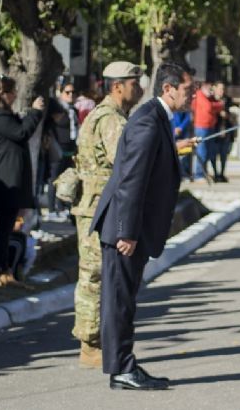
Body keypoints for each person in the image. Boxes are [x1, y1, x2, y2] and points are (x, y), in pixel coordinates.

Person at [91, 63, 196, 390]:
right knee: (119, 302)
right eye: (188, 90)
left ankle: (123, 366)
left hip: (129, 227)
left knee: (123, 300)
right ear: (168, 89)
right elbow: (131, 182)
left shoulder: (156, 117)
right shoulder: (148, 122)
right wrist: (127, 231)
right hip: (124, 230)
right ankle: (122, 370)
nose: (192, 95)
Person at [71, 62, 143, 369]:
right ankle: (90, 345)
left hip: (98, 207)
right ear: (117, 86)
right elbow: (126, 163)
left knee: (99, 274)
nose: (139, 88)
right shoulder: (111, 119)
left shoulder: (110, 115)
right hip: (97, 209)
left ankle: (98, 342)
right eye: (134, 83)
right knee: (95, 276)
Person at [0, 76, 45, 286]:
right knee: (4, 226)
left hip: (11, 175)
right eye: (11, 92)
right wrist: (35, 112)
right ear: (2, 94)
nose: (15, 95)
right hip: (6, 177)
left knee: (8, 225)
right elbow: (21, 133)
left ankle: (5, 268)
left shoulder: (4, 115)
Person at [45, 81, 79, 222]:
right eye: (67, 92)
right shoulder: (56, 109)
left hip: (71, 148)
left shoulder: (74, 110)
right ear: (61, 93)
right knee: (54, 179)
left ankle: (62, 206)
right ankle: (51, 209)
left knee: (66, 178)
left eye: (73, 92)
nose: (71, 95)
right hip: (58, 148)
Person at [191, 80, 221, 182]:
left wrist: (216, 105)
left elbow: (216, 106)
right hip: (201, 127)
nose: (210, 89)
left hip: (210, 127)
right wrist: (218, 105)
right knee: (201, 151)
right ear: (204, 86)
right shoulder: (200, 95)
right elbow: (209, 107)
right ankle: (199, 175)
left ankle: (204, 172)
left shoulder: (209, 97)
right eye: (209, 87)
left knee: (208, 152)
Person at [213, 81, 234, 182]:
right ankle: (215, 173)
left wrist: (228, 115)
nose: (222, 91)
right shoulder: (211, 99)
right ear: (215, 88)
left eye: (223, 89)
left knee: (223, 154)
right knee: (213, 153)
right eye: (220, 88)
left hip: (226, 130)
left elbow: (232, 114)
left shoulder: (228, 100)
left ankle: (222, 174)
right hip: (214, 130)